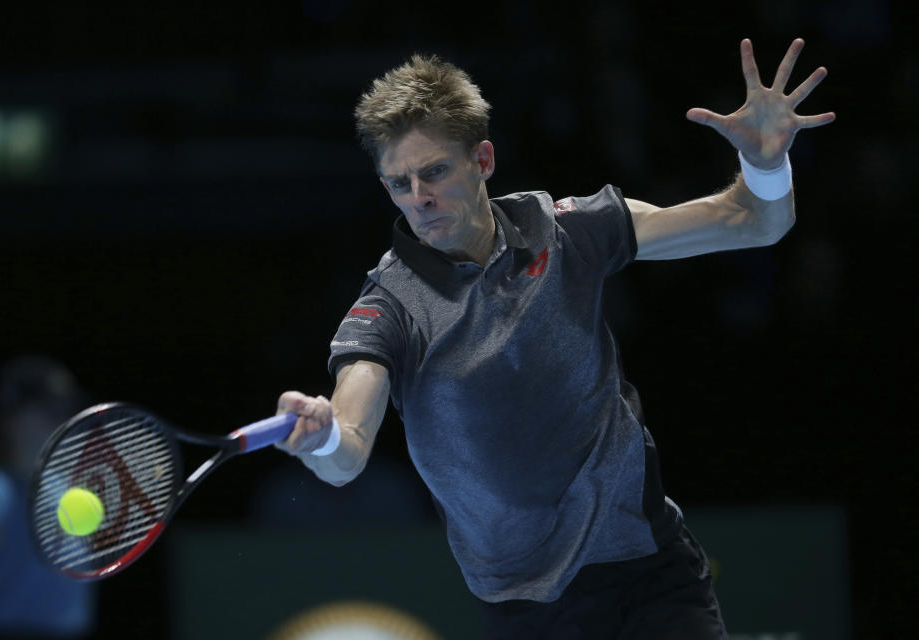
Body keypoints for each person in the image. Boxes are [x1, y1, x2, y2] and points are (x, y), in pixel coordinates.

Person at [271, 39, 834, 638]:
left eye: (434, 171)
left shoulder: (565, 231)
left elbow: (755, 220)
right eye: (398, 183)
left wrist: (765, 165)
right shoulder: (389, 307)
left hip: (651, 566)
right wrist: (323, 432)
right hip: (527, 607)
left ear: (483, 159)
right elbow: (347, 453)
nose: (420, 198)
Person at [0, 356, 96, 640]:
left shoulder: (67, 489)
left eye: (64, 410)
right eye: (49, 410)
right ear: (14, 418)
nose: (61, 419)